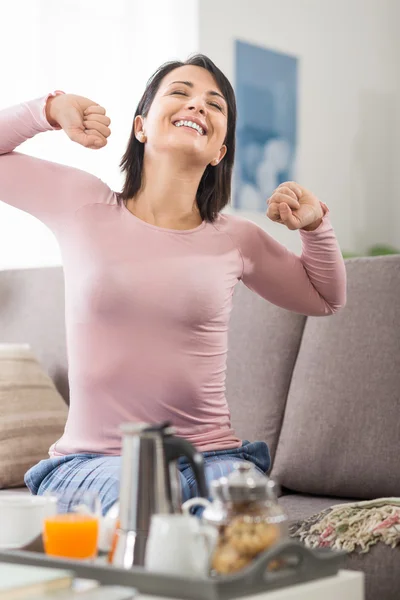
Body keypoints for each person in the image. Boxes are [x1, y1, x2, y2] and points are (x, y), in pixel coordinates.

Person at [0, 55, 346, 515]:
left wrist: (315, 225)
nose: (198, 106)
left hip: (214, 457)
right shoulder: (82, 204)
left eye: (214, 104)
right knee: (147, 508)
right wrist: (49, 109)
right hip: (97, 462)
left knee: (239, 535)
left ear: (220, 150)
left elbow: (325, 298)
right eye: (180, 93)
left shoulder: (236, 238)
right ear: (141, 127)